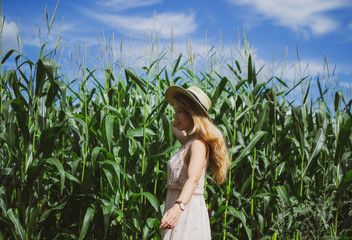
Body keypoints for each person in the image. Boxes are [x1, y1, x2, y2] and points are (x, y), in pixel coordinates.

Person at [160, 85, 230, 239]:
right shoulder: (189, 142)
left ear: (192, 114)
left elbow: (193, 179)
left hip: (186, 211)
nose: (175, 117)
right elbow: (174, 127)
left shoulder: (198, 145)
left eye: (179, 112)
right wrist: (178, 119)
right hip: (179, 208)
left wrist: (178, 208)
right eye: (175, 111)